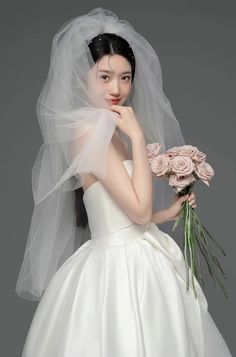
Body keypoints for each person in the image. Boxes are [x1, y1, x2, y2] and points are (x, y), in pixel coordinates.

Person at [16, 7, 232, 356]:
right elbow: (139, 211)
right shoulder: (89, 132)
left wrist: (170, 212)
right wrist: (137, 136)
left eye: (126, 77)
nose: (117, 88)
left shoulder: (108, 131)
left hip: (139, 256)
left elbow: (127, 214)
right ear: (82, 78)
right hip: (119, 270)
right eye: (105, 77)